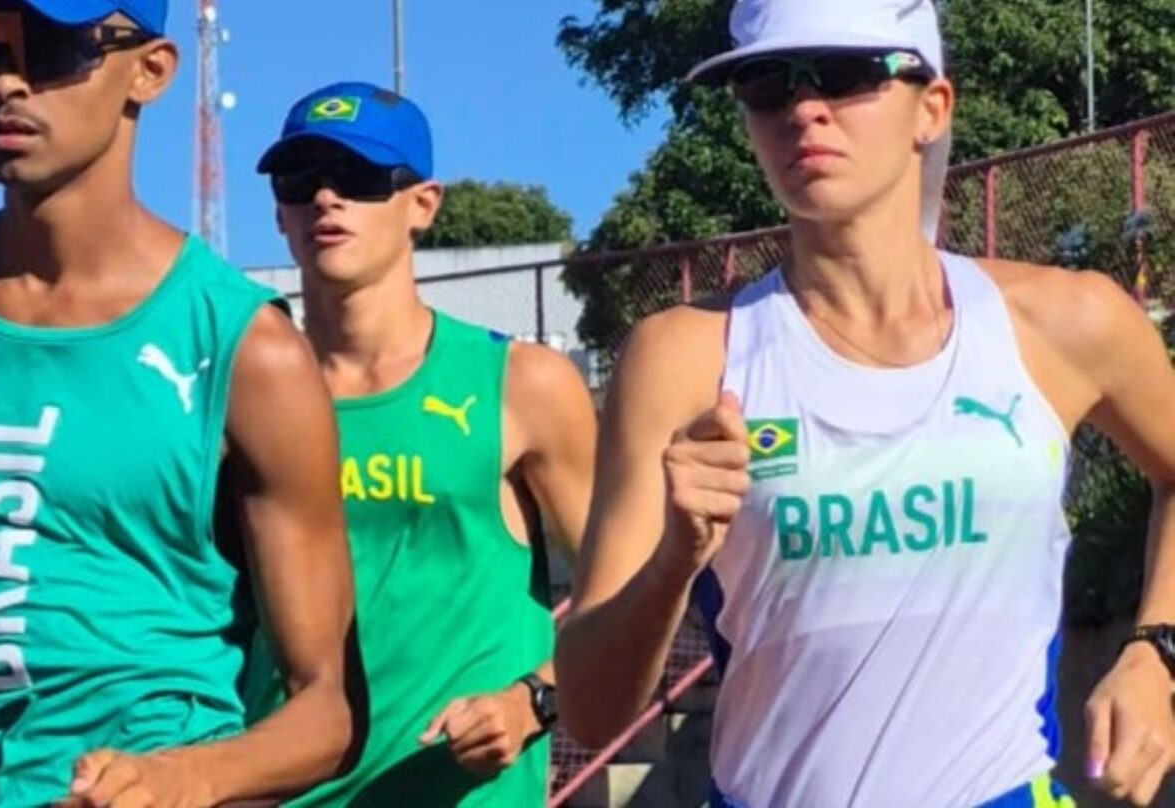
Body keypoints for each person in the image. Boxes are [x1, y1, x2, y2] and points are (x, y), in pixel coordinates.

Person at [555, 1, 1175, 806]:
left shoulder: (1067, 323)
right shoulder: (685, 355)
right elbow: (592, 711)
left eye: (846, 76)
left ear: (932, 107)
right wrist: (675, 558)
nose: (803, 109)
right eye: (766, 84)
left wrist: (1155, 649)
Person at [0, 2, 356, 805]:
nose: (4, 78)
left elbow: (326, 711)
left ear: (152, 69)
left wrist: (182, 778)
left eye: (49, 46)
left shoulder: (249, 351)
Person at [248, 81, 597, 806]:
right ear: (278, 211)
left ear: (424, 204)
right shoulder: (240, 399)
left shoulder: (521, 385)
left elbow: (627, 607)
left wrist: (530, 702)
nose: (325, 200)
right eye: (300, 180)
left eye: (358, 179)